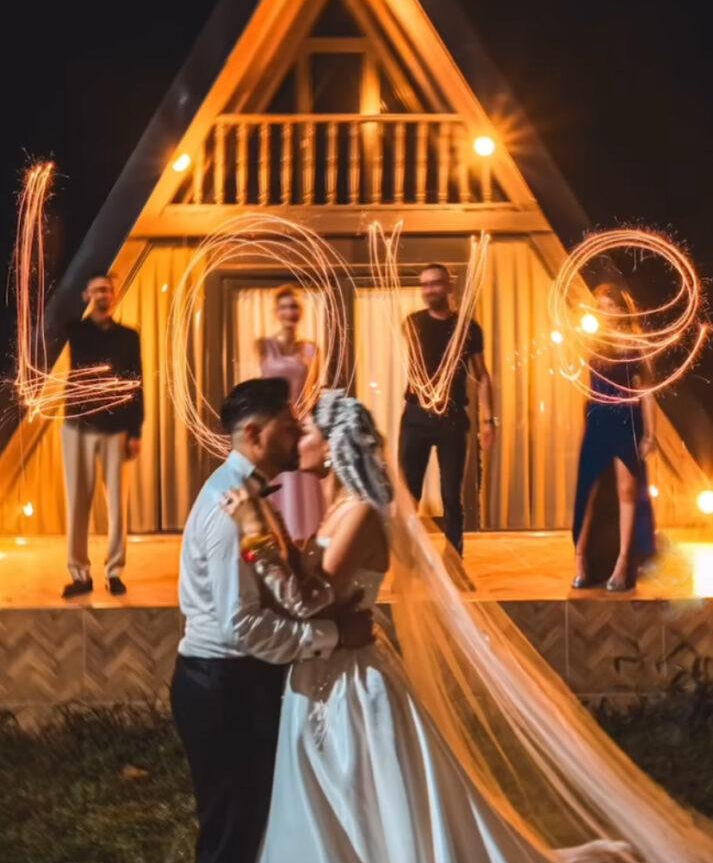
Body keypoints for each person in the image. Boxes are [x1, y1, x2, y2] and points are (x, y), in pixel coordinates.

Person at [225, 390, 713, 863]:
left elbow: (309, 600)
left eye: (305, 431)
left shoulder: (358, 515)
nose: (297, 439)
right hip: (322, 673)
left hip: (354, 685)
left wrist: (256, 532)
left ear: (332, 446)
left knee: (368, 798)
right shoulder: (336, 511)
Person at [170, 377, 373, 863]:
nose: (299, 434)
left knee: (254, 823)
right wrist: (333, 634)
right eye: (289, 427)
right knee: (233, 834)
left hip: (241, 682)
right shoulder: (231, 510)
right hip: (224, 687)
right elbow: (242, 625)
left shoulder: (249, 497)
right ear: (255, 436)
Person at [398, 262, 495, 554]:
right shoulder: (411, 323)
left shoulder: (468, 327)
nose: (429, 290)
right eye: (425, 285)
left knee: (452, 495)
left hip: (452, 418)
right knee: (408, 492)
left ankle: (454, 561)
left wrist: (490, 420)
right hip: (416, 417)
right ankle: (408, 557)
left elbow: (483, 376)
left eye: (435, 283)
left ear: (449, 286)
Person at [60, 273, 143, 598]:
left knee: (117, 505)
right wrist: (77, 299)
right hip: (77, 427)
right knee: (77, 503)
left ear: (115, 294)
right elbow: (59, 313)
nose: (103, 295)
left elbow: (136, 385)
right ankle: (79, 574)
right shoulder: (76, 331)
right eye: (96, 290)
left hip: (116, 428)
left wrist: (136, 431)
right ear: (88, 295)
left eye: (107, 289)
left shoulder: (129, 336)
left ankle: (115, 572)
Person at [572, 283, 657, 592]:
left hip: (626, 419)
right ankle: (580, 560)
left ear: (622, 310)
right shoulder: (592, 342)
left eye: (609, 306)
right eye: (600, 306)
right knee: (589, 492)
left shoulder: (637, 345)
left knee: (627, 493)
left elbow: (646, 392)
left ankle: (623, 564)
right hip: (597, 417)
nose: (603, 312)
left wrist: (650, 434)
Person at [256, 285, 324, 541]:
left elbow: (313, 391)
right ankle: (279, 542)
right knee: (277, 483)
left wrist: (307, 422)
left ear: (301, 311)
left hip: (300, 423)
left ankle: (304, 544)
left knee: (303, 484)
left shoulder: (311, 349)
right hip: (272, 422)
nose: (289, 311)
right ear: (276, 312)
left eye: (294, 306)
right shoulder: (264, 345)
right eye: (284, 306)